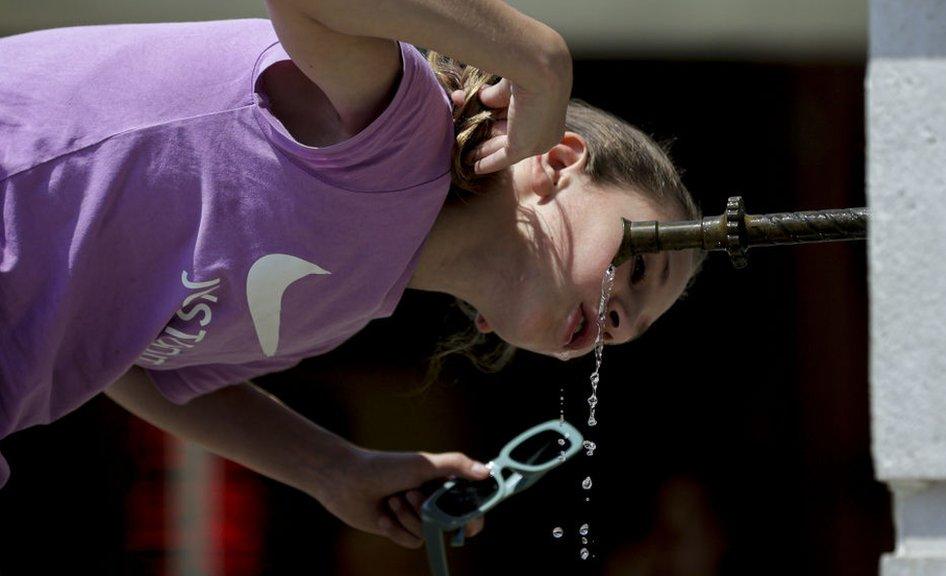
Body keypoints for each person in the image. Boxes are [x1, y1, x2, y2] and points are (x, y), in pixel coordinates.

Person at [0, 0, 703, 550]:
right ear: (557, 163)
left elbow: (133, 364)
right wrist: (541, 60)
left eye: (626, 328)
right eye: (638, 267)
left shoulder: (344, 309)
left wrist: (334, 470)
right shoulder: (399, 133)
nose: (616, 319)